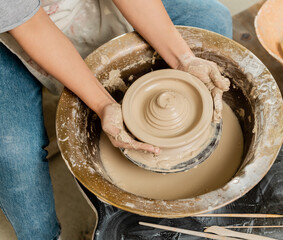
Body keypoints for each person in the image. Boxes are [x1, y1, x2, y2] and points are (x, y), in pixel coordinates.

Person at [0, 0, 232, 239]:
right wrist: (103, 104)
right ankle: (43, 235)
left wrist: (184, 59)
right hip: (12, 27)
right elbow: (33, 28)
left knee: (212, 19)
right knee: (13, 153)